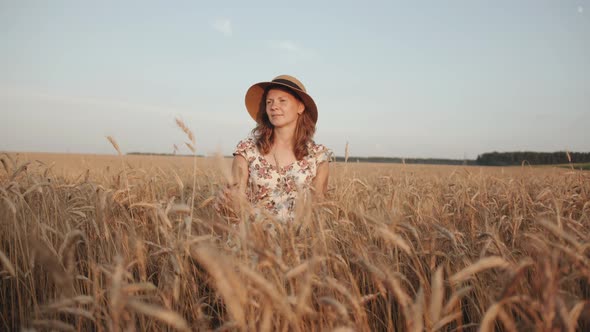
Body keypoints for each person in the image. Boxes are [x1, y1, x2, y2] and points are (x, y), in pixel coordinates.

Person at [221, 75, 332, 223]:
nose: (274, 106)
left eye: (282, 100)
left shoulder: (318, 156)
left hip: (299, 241)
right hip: (252, 238)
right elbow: (235, 201)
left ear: (300, 107)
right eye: (269, 102)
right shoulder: (247, 150)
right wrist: (226, 202)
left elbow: (318, 208)